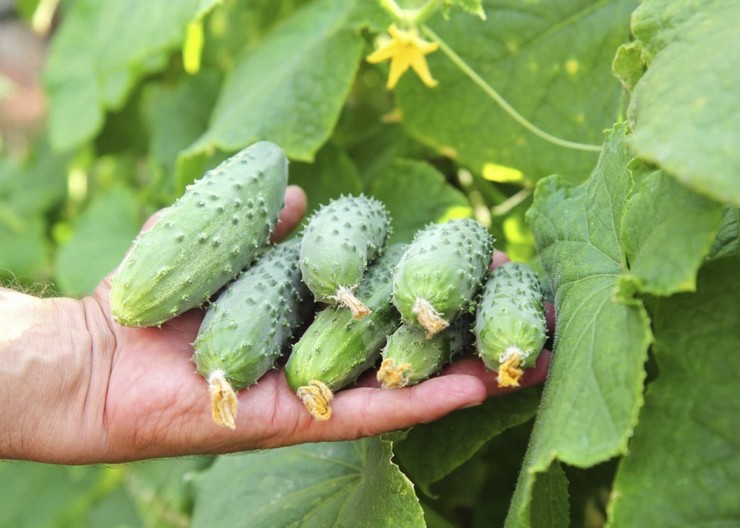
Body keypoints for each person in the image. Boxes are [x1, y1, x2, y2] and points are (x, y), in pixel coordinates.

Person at [0, 186, 550, 465]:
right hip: (291, 333)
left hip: (359, 305)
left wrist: (90, 355)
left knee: (374, 303)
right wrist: (88, 353)